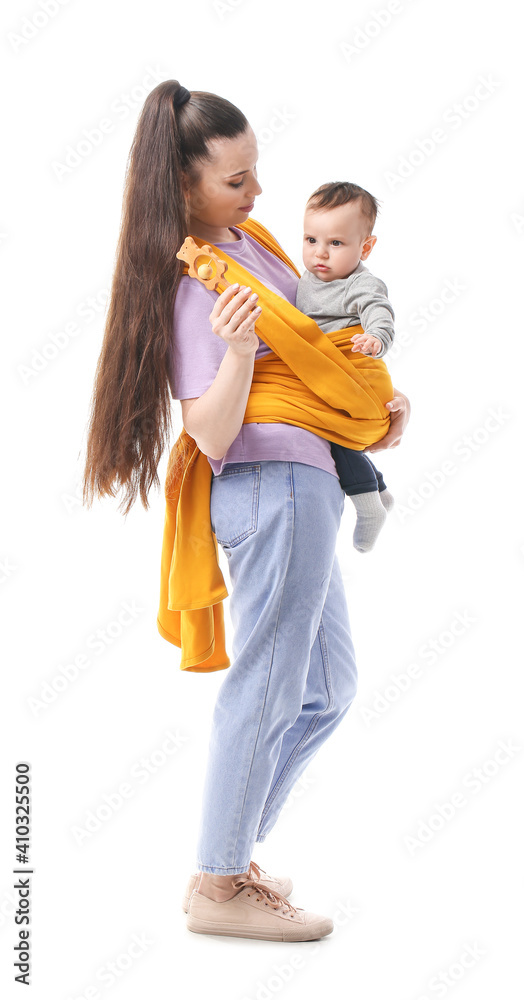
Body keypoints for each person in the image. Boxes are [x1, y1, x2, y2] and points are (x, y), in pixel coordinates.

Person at [82, 80, 411, 943]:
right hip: (269, 488)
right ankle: (219, 881)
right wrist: (233, 353)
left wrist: (370, 411)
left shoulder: (253, 242)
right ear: (184, 187)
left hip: (305, 484)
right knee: (266, 685)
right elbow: (213, 427)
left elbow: (308, 363)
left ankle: (225, 857)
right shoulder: (200, 279)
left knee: (327, 689)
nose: (257, 192)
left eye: (255, 170)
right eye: (236, 180)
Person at [296, 181, 396, 553]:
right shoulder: (308, 278)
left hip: (356, 370)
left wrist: (375, 337)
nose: (320, 253)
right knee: (339, 436)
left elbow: (378, 310)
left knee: (337, 435)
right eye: (310, 240)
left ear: (365, 247)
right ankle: (381, 490)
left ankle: (367, 504)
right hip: (331, 372)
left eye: (335, 243)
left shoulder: (359, 282)